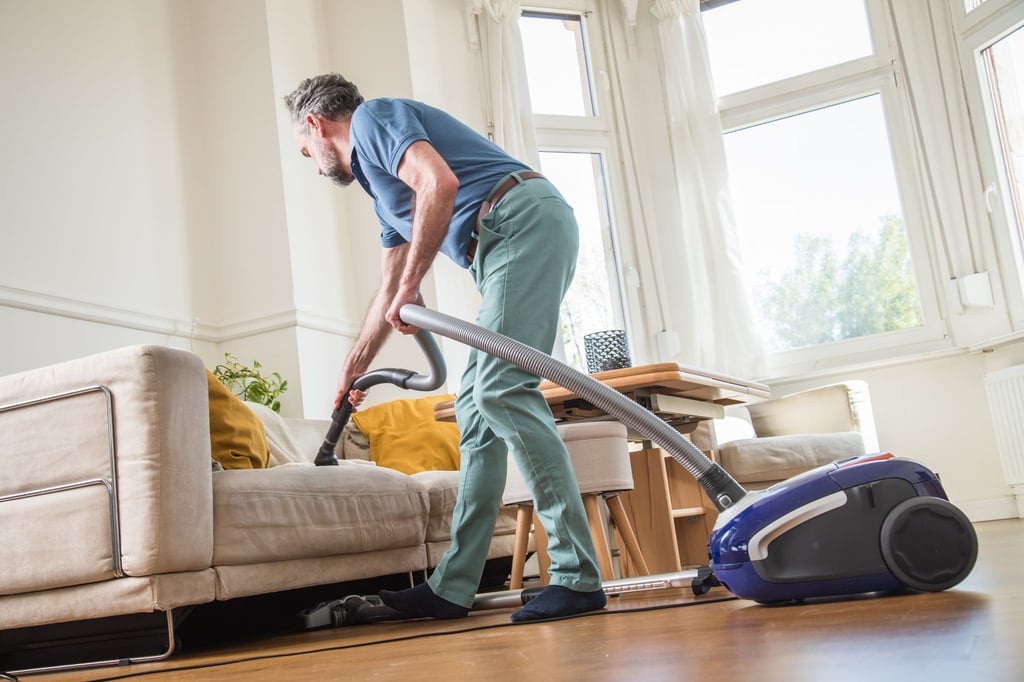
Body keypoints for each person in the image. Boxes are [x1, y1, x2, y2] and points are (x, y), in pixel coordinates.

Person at [283, 73, 606, 623]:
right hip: (501, 244)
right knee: (476, 410)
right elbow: (388, 290)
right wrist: (352, 371)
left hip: (518, 223)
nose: (313, 164)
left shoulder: (374, 119)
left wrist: (412, 284)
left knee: (503, 390)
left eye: (305, 151)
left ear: (315, 124)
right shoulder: (381, 191)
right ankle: (452, 587)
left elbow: (440, 183)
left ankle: (577, 577)